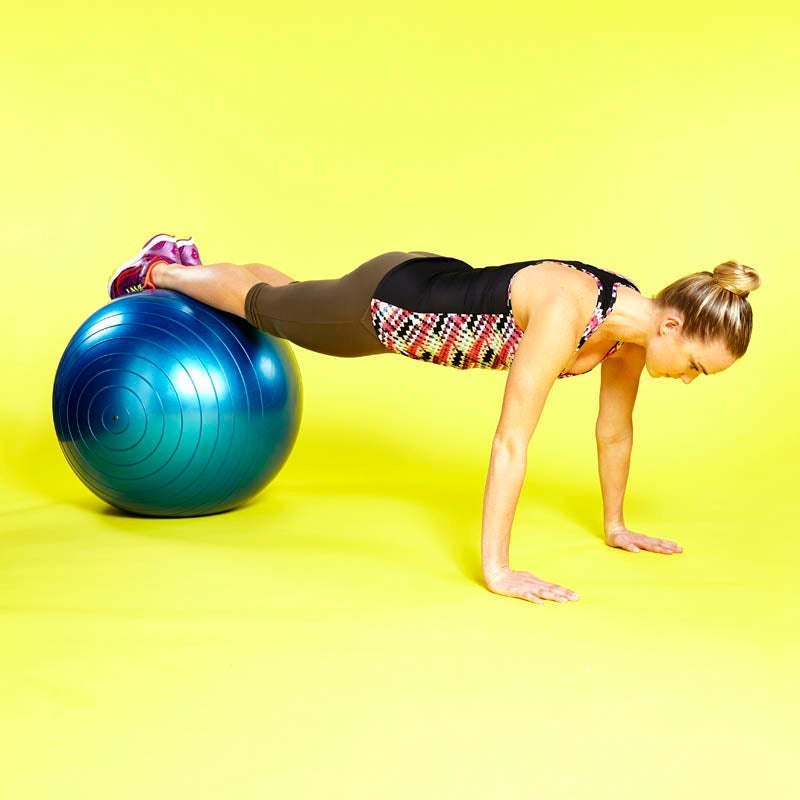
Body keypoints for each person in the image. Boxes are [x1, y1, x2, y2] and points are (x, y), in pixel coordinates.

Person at [108, 234, 761, 605]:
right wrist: (498, 569)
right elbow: (511, 439)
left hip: (422, 280)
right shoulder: (571, 311)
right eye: (698, 366)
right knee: (269, 308)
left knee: (295, 302)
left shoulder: (630, 334)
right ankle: (160, 267)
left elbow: (614, 431)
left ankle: (203, 267)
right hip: (391, 305)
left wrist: (617, 525)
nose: (690, 380)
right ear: (674, 324)